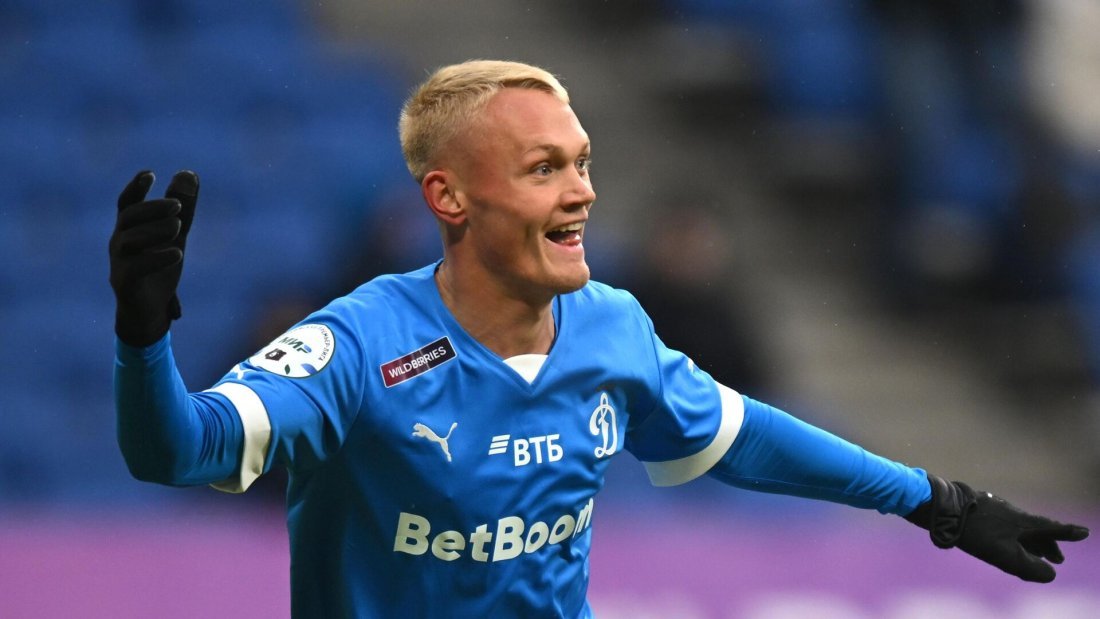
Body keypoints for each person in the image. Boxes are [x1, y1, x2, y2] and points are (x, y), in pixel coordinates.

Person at [109, 59, 1088, 618]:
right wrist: (145, 337)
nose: (581, 192)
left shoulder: (611, 325)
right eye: (543, 169)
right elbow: (177, 450)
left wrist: (937, 501)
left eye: (581, 163)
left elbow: (741, 434)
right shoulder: (358, 345)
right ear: (449, 198)